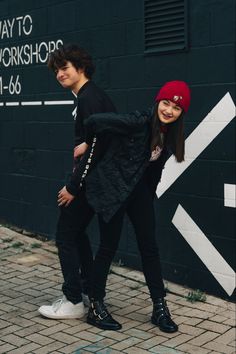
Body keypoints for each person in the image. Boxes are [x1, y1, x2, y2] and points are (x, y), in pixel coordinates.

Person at [68, 81, 191, 332]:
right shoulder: (138, 121)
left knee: (150, 247)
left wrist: (149, 195)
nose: (169, 110)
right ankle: (95, 306)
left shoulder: (170, 135)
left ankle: (159, 307)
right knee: (108, 247)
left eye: (176, 107)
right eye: (166, 103)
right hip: (113, 189)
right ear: (158, 102)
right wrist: (87, 143)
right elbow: (94, 121)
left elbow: (153, 169)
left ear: (181, 113)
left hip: (138, 192)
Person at [38, 44, 116, 319]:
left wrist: (73, 186)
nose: (60, 74)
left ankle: (73, 300)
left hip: (90, 183)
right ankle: (82, 290)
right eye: (57, 70)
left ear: (80, 68)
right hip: (94, 181)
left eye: (65, 68)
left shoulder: (88, 98)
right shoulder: (88, 96)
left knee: (65, 236)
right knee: (76, 233)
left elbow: (97, 147)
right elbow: (98, 139)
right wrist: (87, 144)